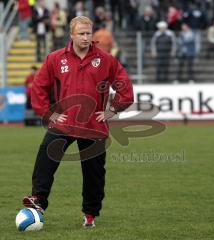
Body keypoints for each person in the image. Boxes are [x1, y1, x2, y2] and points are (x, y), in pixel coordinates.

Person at [22, 16, 134, 228]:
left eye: (88, 33)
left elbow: (124, 87)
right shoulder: (55, 58)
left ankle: (90, 213)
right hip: (63, 122)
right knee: (45, 158)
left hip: (93, 125)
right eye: (81, 33)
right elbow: (39, 87)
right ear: (71, 35)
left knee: (94, 174)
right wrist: (48, 113)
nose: (85, 37)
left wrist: (112, 110)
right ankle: (38, 200)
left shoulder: (106, 59)